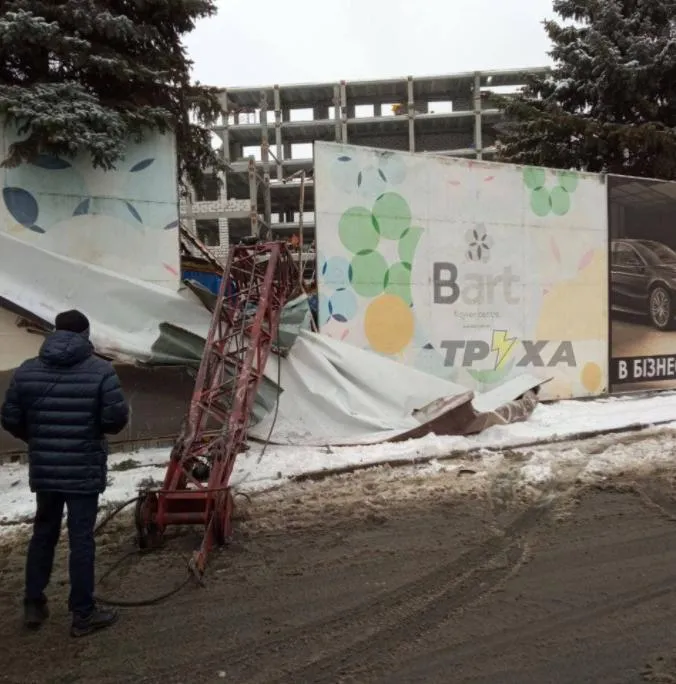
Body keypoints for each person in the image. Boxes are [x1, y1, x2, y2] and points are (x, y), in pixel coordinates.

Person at [0, 309, 129, 637]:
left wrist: (38, 439)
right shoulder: (101, 371)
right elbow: (115, 419)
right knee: (81, 539)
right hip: (83, 468)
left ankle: (33, 603)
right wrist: (90, 432)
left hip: (46, 467)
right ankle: (83, 615)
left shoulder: (27, 370)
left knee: (43, 532)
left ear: (54, 332)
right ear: (86, 335)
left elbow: (10, 416)